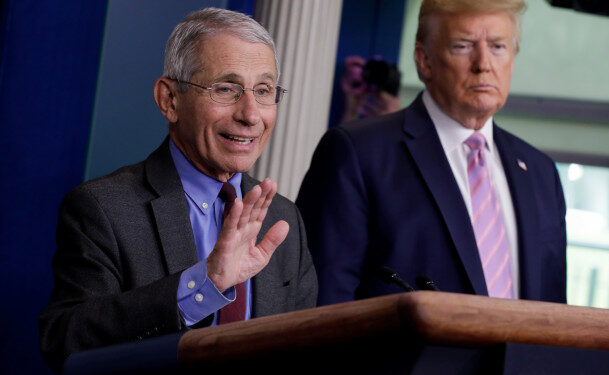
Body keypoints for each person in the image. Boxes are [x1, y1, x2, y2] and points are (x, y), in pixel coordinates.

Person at [39, 8, 317, 372]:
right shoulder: (103, 208)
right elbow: (64, 342)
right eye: (226, 89)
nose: (251, 114)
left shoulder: (284, 219)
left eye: (264, 90)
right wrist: (204, 285)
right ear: (170, 100)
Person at [297, 0, 566, 307]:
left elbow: (553, 314)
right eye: (463, 46)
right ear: (424, 60)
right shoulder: (357, 154)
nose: (484, 63)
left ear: (513, 58)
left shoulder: (541, 173)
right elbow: (321, 303)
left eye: (498, 47)